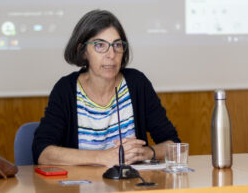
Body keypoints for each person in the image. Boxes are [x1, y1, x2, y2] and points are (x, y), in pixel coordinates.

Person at [33, 9, 180, 166]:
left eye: (117, 45)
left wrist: (148, 152)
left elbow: (174, 145)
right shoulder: (66, 89)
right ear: (82, 51)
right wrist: (102, 157)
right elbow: (42, 152)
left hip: (130, 187)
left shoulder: (137, 83)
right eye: (100, 45)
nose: (111, 54)